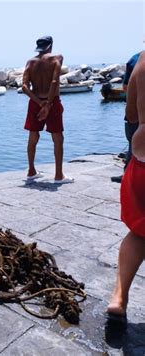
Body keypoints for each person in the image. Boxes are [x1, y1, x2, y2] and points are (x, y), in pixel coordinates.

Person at [107, 52, 145, 323]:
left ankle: (119, 297)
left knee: (138, 233)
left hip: (143, 155)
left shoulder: (142, 60)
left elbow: (130, 113)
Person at [22, 36, 74, 184]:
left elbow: (24, 87)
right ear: (50, 45)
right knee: (57, 138)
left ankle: (31, 171)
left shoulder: (30, 62)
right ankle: (58, 176)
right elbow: (54, 81)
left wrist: (39, 103)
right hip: (53, 102)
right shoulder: (57, 58)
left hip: (34, 102)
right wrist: (48, 105)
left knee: (33, 136)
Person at [111, 51, 142, 183]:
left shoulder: (135, 59)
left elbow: (125, 87)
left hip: (135, 110)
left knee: (132, 143)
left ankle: (128, 175)